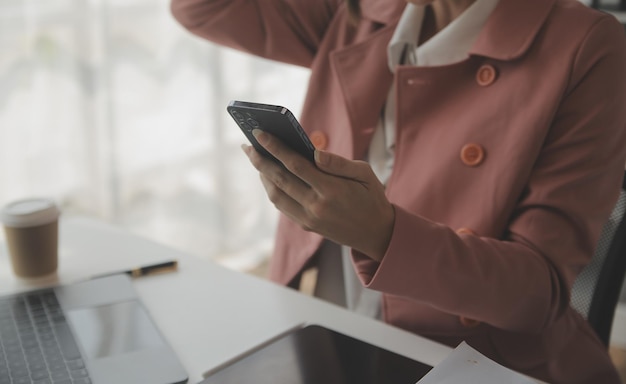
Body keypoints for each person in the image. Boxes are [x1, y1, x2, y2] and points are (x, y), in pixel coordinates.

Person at [170, 0, 626, 382]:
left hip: (472, 361)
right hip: (326, 335)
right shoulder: (363, 12)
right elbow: (201, 7)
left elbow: (537, 294)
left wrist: (383, 235)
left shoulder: (584, 45)